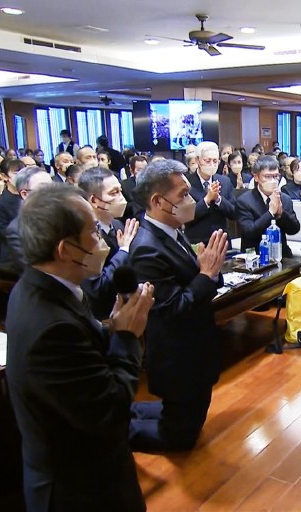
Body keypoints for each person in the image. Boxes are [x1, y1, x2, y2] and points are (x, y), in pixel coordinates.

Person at [6, 183, 154, 512]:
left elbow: (82, 349)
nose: (103, 242)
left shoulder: (42, 285)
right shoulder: (51, 328)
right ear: (65, 249)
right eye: (94, 234)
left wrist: (110, 326)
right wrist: (128, 336)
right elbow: (110, 409)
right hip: (79, 489)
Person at [128, 159, 228, 452]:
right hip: (176, 355)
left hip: (195, 347)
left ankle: (127, 412)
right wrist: (206, 275)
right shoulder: (146, 247)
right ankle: (111, 428)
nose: (191, 200)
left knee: (190, 419)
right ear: (158, 201)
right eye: (183, 195)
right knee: (181, 438)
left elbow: (194, 280)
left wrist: (208, 271)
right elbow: (172, 309)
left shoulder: (172, 230)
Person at [78, 167, 138, 320]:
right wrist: (124, 250)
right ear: (94, 200)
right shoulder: (84, 235)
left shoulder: (117, 224)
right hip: (104, 316)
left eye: (120, 191)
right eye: (113, 193)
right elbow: (97, 287)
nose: (121, 198)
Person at [235, 156, 301, 257]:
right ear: (256, 177)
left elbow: (294, 229)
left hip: (281, 254)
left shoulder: (284, 199)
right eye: (267, 177)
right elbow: (249, 233)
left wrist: (281, 214)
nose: (273, 181)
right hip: (254, 255)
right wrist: (270, 213)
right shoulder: (244, 201)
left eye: (275, 176)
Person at [184, 141, 237, 244]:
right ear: (197, 160)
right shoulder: (186, 183)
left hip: (222, 241)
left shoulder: (225, 181)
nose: (212, 165)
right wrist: (207, 200)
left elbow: (234, 213)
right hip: (197, 242)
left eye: (215, 161)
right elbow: (186, 217)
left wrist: (218, 200)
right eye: (207, 161)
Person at [4, 167, 54, 270]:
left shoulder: (61, 215)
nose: (52, 192)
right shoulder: (16, 229)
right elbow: (30, 268)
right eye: (44, 188)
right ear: (25, 194)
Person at [0, 158, 26, 261]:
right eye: (16, 173)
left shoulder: (31, 196)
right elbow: (7, 233)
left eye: (23, 172)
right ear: (4, 176)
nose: (21, 176)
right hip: (14, 255)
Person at [121, 155, 148, 220]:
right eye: (139, 170)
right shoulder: (124, 185)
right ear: (132, 171)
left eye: (145, 169)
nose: (143, 173)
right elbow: (123, 207)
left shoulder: (153, 184)